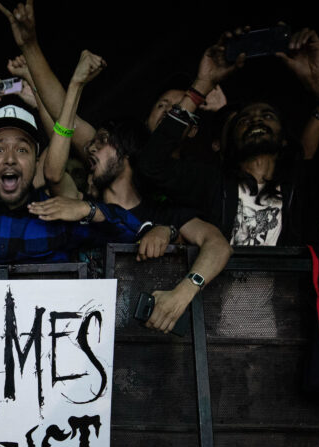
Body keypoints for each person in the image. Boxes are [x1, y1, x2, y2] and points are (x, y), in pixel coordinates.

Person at [44, 49, 232, 333]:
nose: (91, 147)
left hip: (142, 358)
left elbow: (218, 245)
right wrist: (71, 82)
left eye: (103, 141)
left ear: (128, 152)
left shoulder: (164, 212)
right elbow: (55, 165)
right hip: (79, 346)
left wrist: (181, 294)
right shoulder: (78, 205)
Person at [138, 27, 319, 247]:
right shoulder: (211, 183)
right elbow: (152, 165)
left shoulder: (305, 185)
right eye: (244, 120)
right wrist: (203, 84)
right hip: (216, 297)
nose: (255, 119)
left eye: (267, 116)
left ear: (284, 139)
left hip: (287, 297)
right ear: (229, 141)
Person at [0, 98, 143, 304]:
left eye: (22, 150)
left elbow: (133, 233)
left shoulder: (57, 215)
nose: (10, 159)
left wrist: (88, 210)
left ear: (36, 158)